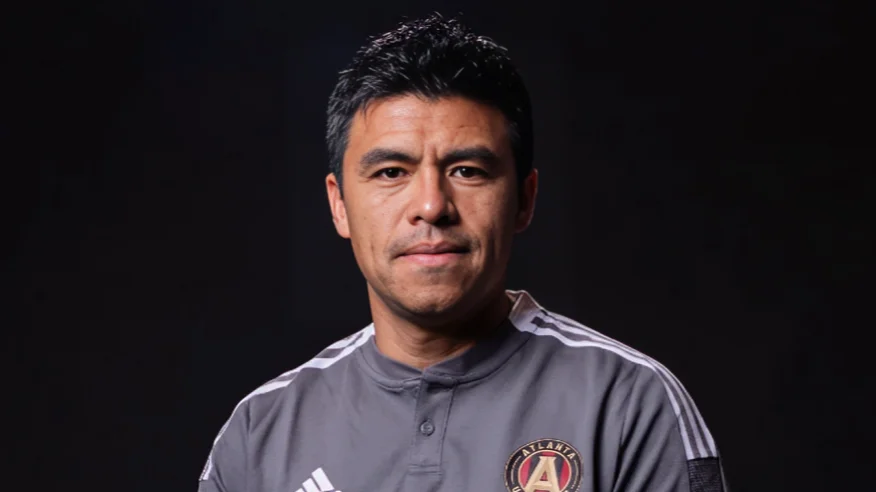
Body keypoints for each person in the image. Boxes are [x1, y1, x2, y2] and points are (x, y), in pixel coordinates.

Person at [197, 13, 728, 492]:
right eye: (391, 172)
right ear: (339, 205)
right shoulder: (260, 435)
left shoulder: (627, 404)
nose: (431, 205)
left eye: (467, 171)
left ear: (524, 199)